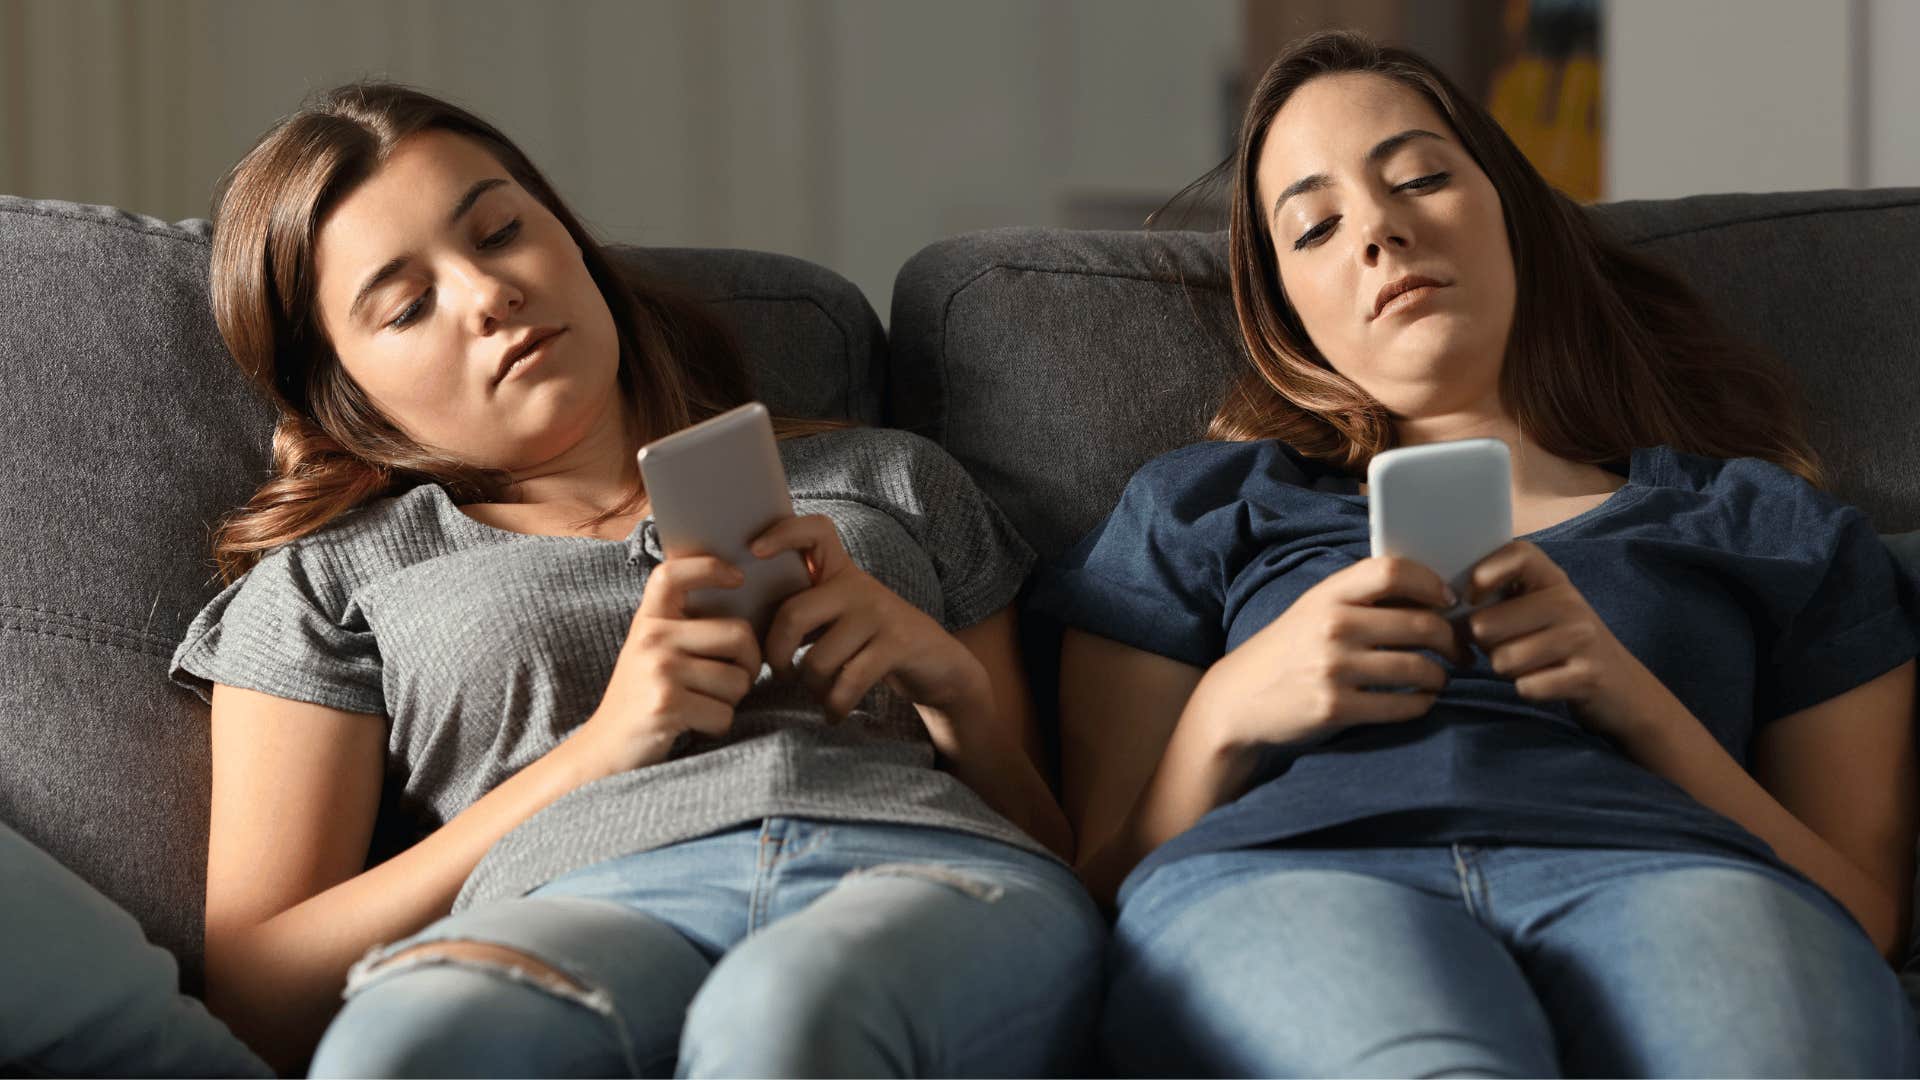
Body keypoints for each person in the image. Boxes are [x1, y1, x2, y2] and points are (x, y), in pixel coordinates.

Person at [1032, 30, 1920, 1078]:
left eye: (1420, 177)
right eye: (1315, 227)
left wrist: (1633, 702)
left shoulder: (1762, 520)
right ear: (1289, 314)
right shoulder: (1202, 508)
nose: (1380, 232)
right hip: (1294, 883)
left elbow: (1863, 910)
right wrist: (1233, 708)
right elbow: (1098, 879)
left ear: (1511, 212)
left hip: (1676, 875)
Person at [170, 81, 1102, 1078]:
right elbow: (257, 990)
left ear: (569, 241)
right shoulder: (330, 582)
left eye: (498, 233)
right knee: (401, 1050)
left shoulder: (890, 477)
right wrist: (595, 754)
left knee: (787, 1016)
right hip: (572, 910)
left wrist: (953, 694)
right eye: (408, 305)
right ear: (345, 389)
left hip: (919, 872)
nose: (490, 296)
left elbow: (1059, 847)